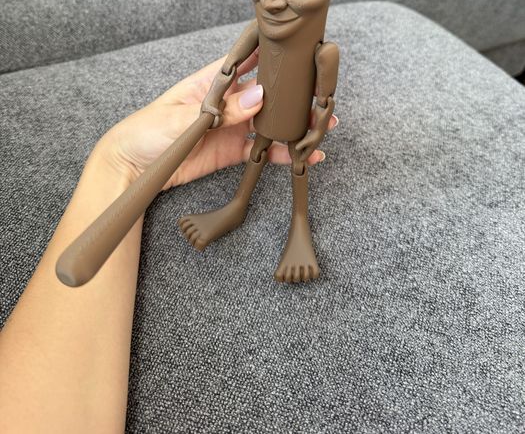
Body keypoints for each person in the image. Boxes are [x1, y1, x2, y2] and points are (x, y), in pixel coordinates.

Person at [0, 50, 336, 433]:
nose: (275, 11)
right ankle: (235, 207)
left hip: (290, 123)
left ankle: (298, 227)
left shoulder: (323, 51)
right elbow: (229, 69)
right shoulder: (263, 31)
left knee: (296, 163)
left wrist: (119, 163)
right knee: (258, 150)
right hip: (261, 120)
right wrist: (213, 101)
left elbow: (323, 98)